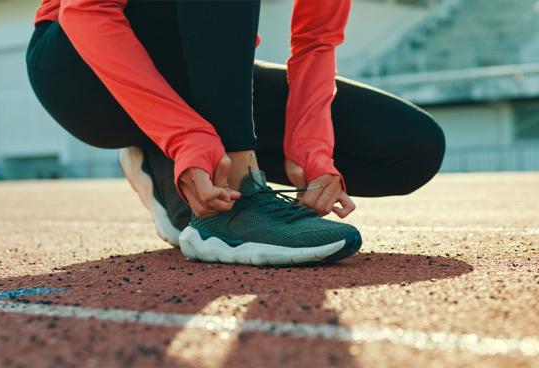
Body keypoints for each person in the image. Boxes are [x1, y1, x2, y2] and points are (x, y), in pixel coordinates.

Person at [26, 0, 445, 267]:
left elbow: (316, 42)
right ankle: (236, 195)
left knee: (411, 147)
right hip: (81, 75)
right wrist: (185, 137)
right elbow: (86, 11)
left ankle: (166, 165)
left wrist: (311, 150)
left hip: (198, 75)